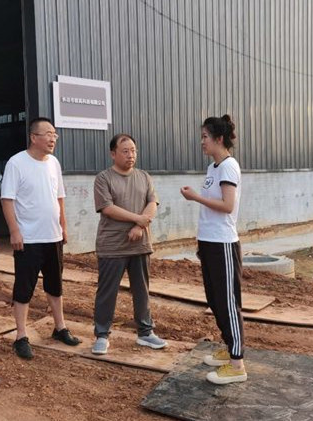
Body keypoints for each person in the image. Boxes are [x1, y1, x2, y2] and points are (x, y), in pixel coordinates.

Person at [0, 117, 81, 360]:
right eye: (48, 134)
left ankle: (60, 327)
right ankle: (21, 336)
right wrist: (14, 230)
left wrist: (63, 226)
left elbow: (60, 198)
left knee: (55, 285)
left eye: (54, 134)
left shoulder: (54, 163)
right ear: (34, 137)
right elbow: (7, 199)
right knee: (24, 287)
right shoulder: (16, 163)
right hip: (28, 238)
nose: (53, 138)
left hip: (52, 236)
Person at [180, 115, 246, 385]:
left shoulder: (229, 166)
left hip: (223, 243)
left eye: (205, 137)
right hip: (208, 242)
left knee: (228, 303)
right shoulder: (213, 167)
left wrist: (195, 197)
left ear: (219, 139)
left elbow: (227, 206)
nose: (202, 142)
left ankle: (237, 363)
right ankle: (229, 348)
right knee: (215, 299)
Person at [91, 133, 167, 355]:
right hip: (112, 246)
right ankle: (102, 335)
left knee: (142, 290)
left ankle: (145, 332)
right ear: (113, 154)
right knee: (107, 292)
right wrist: (138, 219)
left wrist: (140, 227)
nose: (130, 155)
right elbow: (107, 208)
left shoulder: (144, 176)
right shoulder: (103, 178)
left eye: (133, 150)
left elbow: (152, 203)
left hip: (140, 245)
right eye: (125, 151)